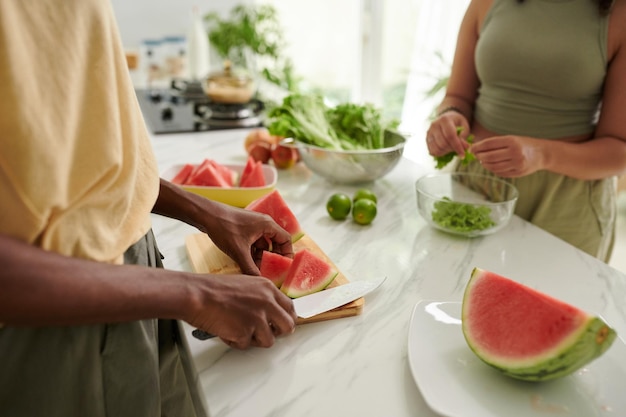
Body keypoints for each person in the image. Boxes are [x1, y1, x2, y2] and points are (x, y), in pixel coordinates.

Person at [0, 1, 297, 416]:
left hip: (140, 286)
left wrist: (206, 211)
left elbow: (77, 157)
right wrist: (196, 292)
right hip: (53, 331)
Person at [426, 0, 626, 262]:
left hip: (568, 202)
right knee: (454, 292)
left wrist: (541, 154)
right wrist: (449, 116)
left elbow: (619, 149)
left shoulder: (620, 12)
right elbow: (457, 96)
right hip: (476, 183)